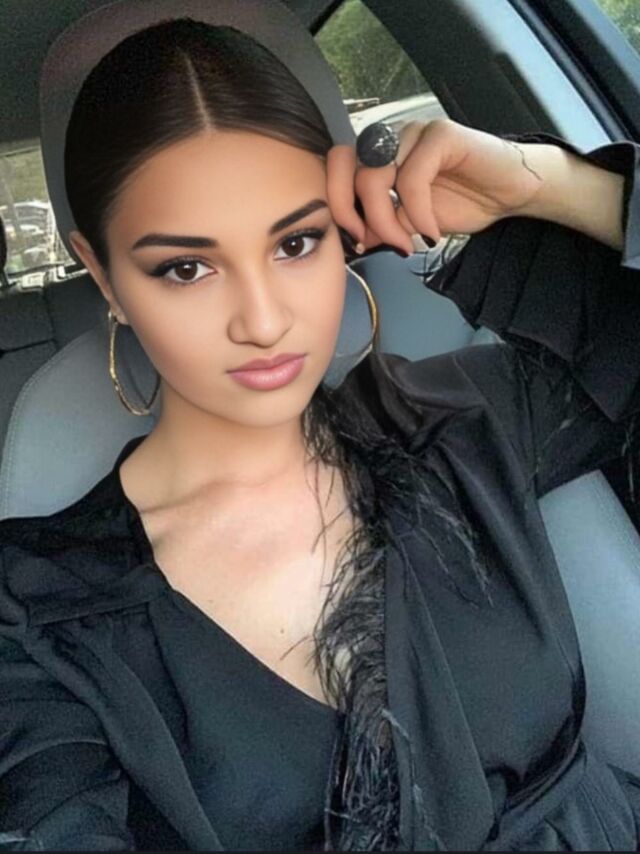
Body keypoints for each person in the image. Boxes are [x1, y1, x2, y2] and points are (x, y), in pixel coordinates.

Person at [1, 3, 640, 851]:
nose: (264, 321)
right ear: (106, 276)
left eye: (296, 244)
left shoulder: (473, 419)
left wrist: (545, 183)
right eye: (186, 268)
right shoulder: (36, 611)